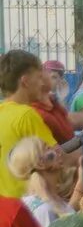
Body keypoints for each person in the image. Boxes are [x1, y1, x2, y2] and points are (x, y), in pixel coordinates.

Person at [0, 51, 57, 199]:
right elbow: (57, 157)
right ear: (25, 81)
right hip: (26, 207)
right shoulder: (26, 115)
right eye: (38, 78)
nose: (42, 83)